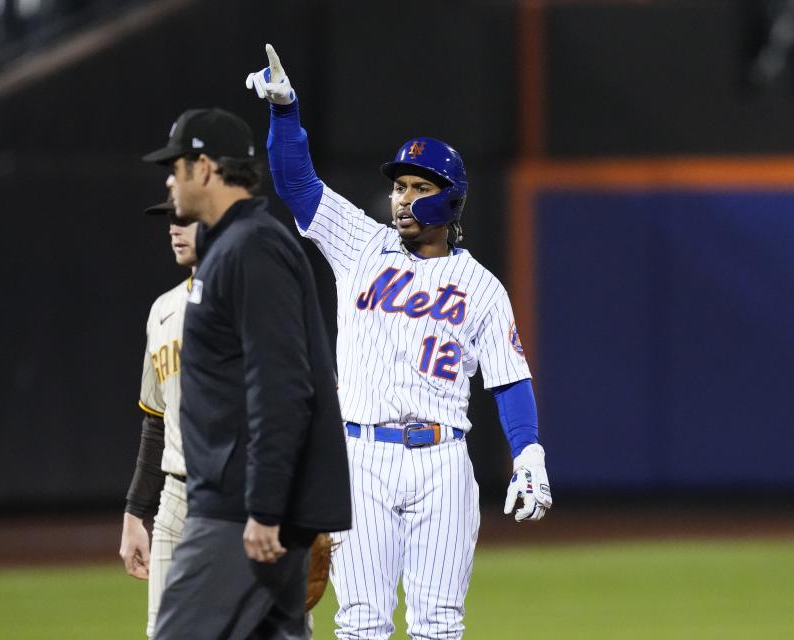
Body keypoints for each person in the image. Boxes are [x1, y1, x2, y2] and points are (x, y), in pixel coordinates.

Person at [246, 45, 553, 639]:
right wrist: (286, 111)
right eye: (399, 186)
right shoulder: (361, 243)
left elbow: (509, 376)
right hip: (360, 457)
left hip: (442, 460)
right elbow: (296, 184)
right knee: (361, 624)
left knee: (439, 625)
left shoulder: (481, 287)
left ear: (449, 198)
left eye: (417, 186)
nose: (403, 197)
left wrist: (528, 452)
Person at [144, 107, 352, 640]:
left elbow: (281, 387)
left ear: (206, 167)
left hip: (238, 511)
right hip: (244, 504)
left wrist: (264, 507)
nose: (170, 179)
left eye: (177, 166)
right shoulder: (235, 246)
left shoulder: (252, 247)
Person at [118, 176, 199, 637]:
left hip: (244, 500)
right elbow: (156, 422)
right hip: (176, 499)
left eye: (185, 217)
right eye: (170, 218)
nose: (174, 227)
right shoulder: (163, 311)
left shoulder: (255, 297)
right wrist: (135, 513)